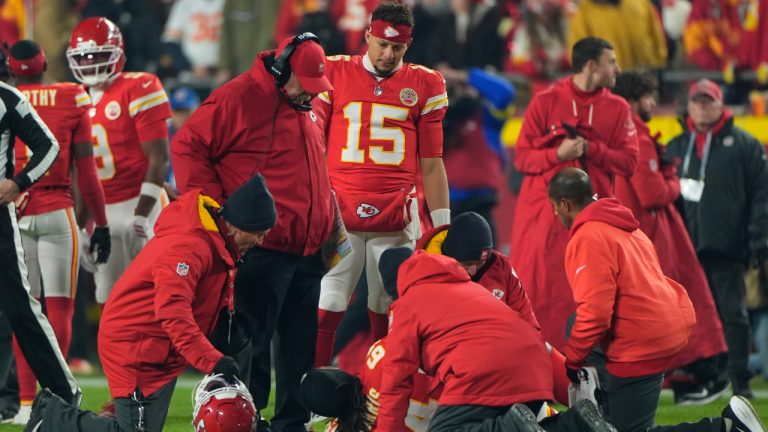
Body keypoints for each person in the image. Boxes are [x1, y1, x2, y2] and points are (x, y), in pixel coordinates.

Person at [23, 173, 277, 432]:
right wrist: (212, 360)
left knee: (140, 425)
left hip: (159, 344)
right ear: (238, 224)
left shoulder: (215, 239)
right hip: (136, 345)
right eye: (259, 233)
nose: (260, 242)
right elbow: (172, 310)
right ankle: (51, 418)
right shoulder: (191, 246)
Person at [171, 33, 335, 432]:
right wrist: (219, 212)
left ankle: (292, 424)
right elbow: (187, 146)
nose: (310, 95)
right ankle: (247, 421)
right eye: (304, 85)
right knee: (253, 347)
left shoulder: (302, 102)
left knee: (298, 350)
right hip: (262, 247)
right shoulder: (238, 97)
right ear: (281, 72)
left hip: (307, 249)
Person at [548, 167, 765, 432]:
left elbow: (595, 314)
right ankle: (604, 403)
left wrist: (572, 362)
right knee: (575, 326)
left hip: (642, 340)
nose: (554, 213)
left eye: (554, 206)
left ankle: (728, 428)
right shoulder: (624, 227)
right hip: (662, 326)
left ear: (565, 204)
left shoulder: (588, 236)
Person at [314, 1, 451, 368]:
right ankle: (311, 401)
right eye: (382, 45)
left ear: (408, 46)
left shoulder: (426, 82)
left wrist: (442, 225)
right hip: (340, 208)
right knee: (329, 302)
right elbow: (313, 146)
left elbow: (432, 162)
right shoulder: (334, 70)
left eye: (397, 48)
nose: (388, 54)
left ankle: (381, 394)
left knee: (387, 306)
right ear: (368, 36)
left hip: (395, 213)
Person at [510, 36, 638, 350]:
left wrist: (593, 149)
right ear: (592, 65)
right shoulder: (545, 101)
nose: (617, 70)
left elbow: (629, 162)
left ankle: (591, 369)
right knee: (541, 294)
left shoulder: (618, 108)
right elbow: (522, 158)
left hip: (593, 219)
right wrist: (559, 154)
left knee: (592, 294)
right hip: (545, 219)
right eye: (612, 62)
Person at [7, 39, 111, 425]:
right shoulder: (71, 96)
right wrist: (99, 222)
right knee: (59, 309)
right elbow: (87, 170)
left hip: (14, 208)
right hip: (57, 208)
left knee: (25, 309)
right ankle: (56, 397)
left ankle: (23, 402)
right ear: (45, 62)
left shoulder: (8, 96)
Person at [612, 71, 728, 405]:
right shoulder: (637, 135)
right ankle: (693, 375)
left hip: (637, 234)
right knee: (680, 300)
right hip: (653, 234)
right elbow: (652, 193)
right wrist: (675, 183)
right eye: (650, 96)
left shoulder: (620, 132)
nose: (654, 103)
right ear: (635, 99)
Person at [666, 79, 768, 399]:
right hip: (686, 250)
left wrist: (757, 240)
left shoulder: (745, 145)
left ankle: (739, 380)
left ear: (721, 103)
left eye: (708, 100)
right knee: (687, 318)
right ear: (688, 106)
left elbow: (761, 197)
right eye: (697, 101)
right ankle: (701, 379)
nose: (702, 106)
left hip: (727, 247)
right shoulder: (677, 146)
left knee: (734, 316)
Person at [66, 16, 171, 306]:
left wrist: (141, 213)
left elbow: (159, 156)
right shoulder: (75, 101)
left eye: (98, 55)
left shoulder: (140, 86)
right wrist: (79, 227)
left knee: (157, 293)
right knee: (110, 300)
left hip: (142, 200)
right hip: (104, 213)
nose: (90, 63)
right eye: (84, 57)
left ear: (116, 55)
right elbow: (82, 174)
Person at [0, 35, 81, 409]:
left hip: (5, 218)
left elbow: (49, 145)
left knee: (21, 307)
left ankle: (65, 395)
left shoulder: (8, 98)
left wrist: (18, 182)